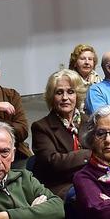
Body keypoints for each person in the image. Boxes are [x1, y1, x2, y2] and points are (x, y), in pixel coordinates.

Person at [30, 69, 91, 198]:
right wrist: (89, 155)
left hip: (90, 178)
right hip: (61, 185)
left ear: (77, 95)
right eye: (59, 92)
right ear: (52, 97)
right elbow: (53, 162)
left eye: (70, 92)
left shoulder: (89, 121)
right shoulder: (41, 127)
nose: (65, 98)